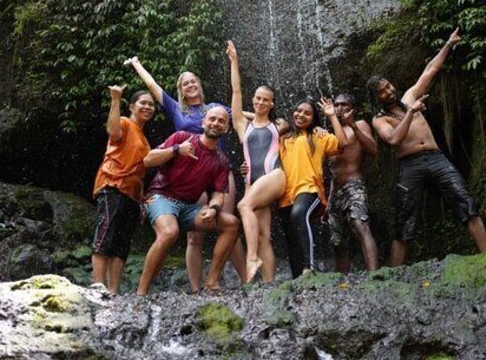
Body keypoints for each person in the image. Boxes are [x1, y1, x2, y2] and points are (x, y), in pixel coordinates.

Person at [368, 27, 486, 266]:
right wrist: (411, 113)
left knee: (465, 201)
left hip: (436, 158)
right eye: (382, 91)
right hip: (410, 165)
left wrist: (449, 44)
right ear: (376, 97)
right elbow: (393, 140)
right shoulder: (379, 119)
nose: (389, 91)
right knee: (404, 220)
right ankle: (395, 273)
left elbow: (430, 70)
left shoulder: (410, 96)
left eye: (389, 86)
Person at [126, 56, 248, 291]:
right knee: (190, 235)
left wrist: (267, 120)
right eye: (185, 83)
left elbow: (239, 111)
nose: (190, 85)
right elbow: (153, 86)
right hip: (180, 179)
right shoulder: (176, 110)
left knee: (227, 222)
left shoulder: (216, 109)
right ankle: (194, 288)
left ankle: (242, 280)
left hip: (213, 171)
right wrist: (137, 64)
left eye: (193, 81)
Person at [239, 97, 348, 281]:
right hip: (285, 195)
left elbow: (343, 143)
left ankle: (310, 267)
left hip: (309, 189)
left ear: (313, 119)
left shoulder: (318, 136)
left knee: (299, 214)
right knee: (291, 238)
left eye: (307, 113)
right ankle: (298, 279)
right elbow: (261, 125)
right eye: (298, 111)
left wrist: (331, 116)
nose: (301, 115)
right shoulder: (283, 138)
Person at [136, 107, 240, 295]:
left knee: (231, 224)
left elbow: (218, 192)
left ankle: (211, 282)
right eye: (212, 119)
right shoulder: (182, 137)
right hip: (160, 197)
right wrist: (176, 150)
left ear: (227, 129)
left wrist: (215, 209)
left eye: (221, 121)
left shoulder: (221, 162)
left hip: (188, 208)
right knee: (169, 232)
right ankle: (140, 294)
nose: (216, 123)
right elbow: (148, 160)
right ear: (203, 122)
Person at [90, 87, 156, 295]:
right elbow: (113, 131)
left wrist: (142, 200)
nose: (147, 107)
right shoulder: (126, 123)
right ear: (132, 106)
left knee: (121, 244)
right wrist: (115, 100)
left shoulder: (144, 140)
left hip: (131, 195)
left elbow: (141, 172)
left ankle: (113, 291)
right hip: (112, 186)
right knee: (105, 235)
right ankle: (98, 286)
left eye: (151, 104)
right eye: (143, 103)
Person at [226, 40, 281, 283]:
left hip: (275, 177)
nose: (259, 102)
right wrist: (234, 61)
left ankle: (251, 258)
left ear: (272, 104)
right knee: (263, 237)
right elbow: (236, 93)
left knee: (242, 207)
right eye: (257, 98)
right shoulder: (242, 126)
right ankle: (269, 283)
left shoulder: (279, 126)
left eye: (265, 100)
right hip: (252, 182)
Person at [327, 93, 380, 272]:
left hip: (354, 184)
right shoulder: (333, 133)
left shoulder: (360, 124)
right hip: (336, 191)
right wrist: (328, 199)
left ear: (353, 109)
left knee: (360, 224)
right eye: (337, 105)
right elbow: (333, 170)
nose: (339, 108)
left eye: (344, 105)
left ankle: (375, 274)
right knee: (336, 238)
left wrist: (353, 126)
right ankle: (342, 279)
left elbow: (373, 149)